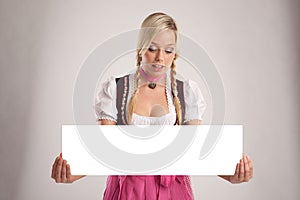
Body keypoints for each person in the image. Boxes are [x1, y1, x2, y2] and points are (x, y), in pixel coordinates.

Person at [51, 12, 253, 199]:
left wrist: (232, 175)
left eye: (168, 50)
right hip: (127, 192)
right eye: (152, 49)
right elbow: (104, 150)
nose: (160, 58)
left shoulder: (186, 93)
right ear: (140, 49)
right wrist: (70, 174)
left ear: (175, 55)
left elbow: (195, 150)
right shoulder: (116, 89)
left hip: (173, 192)